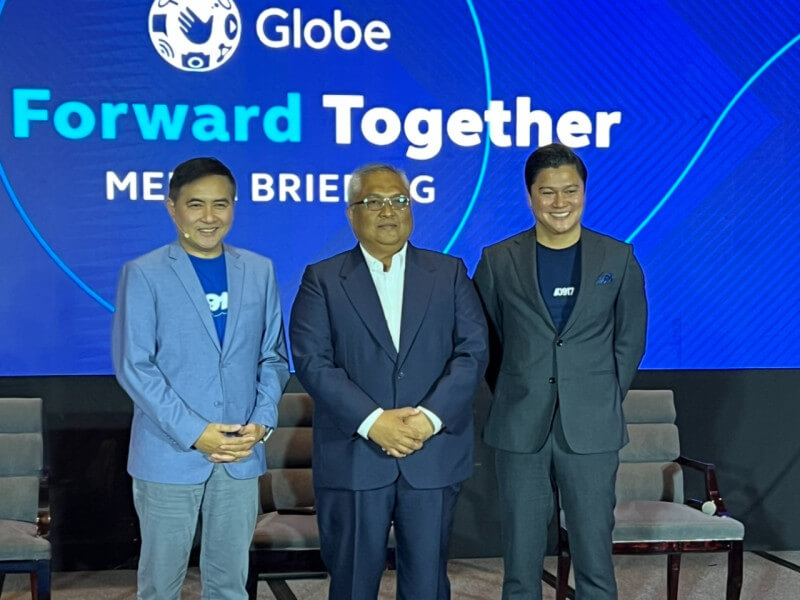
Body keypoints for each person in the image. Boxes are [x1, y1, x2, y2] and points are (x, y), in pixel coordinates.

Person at [290, 163, 488, 600]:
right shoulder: (322, 279)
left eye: (399, 200)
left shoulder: (449, 272)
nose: (389, 211)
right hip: (355, 455)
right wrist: (373, 421)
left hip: (431, 453)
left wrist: (429, 419)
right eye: (374, 201)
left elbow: (473, 353)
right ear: (350, 213)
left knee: (427, 584)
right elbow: (313, 362)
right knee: (353, 583)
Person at [473, 143, 647, 600]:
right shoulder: (497, 260)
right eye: (547, 192)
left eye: (570, 190)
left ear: (584, 192)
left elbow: (629, 341)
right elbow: (483, 343)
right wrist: (516, 390)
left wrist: (600, 394)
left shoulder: (618, 258)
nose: (560, 203)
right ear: (529, 196)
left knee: (594, 561)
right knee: (520, 565)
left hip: (592, 428)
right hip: (518, 428)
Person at [112, 157, 290, 600]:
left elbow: (273, 357)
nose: (209, 217)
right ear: (172, 208)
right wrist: (196, 433)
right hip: (170, 452)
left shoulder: (260, 269)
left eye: (221, 204)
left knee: (230, 584)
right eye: (196, 205)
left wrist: (262, 423)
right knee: (160, 585)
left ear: (234, 207)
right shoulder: (144, 273)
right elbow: (135, 365)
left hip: (241, 452)